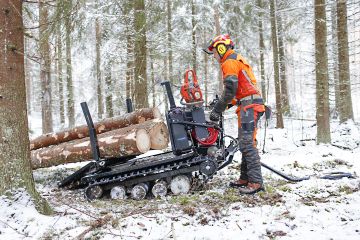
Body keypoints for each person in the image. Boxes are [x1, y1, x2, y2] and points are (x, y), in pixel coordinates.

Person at [203, 34, 265, 194]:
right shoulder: (234, 60)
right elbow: (236, 94)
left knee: (247, 144)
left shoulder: (229, 61)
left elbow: (230, 90)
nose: (215, 56)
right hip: (247, 105)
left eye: (215, 52)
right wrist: (220, 104)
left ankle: (256, 182)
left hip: (250, 107)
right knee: (245, 142)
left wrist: (217, 110)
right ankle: (245, 178)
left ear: (221, 48)